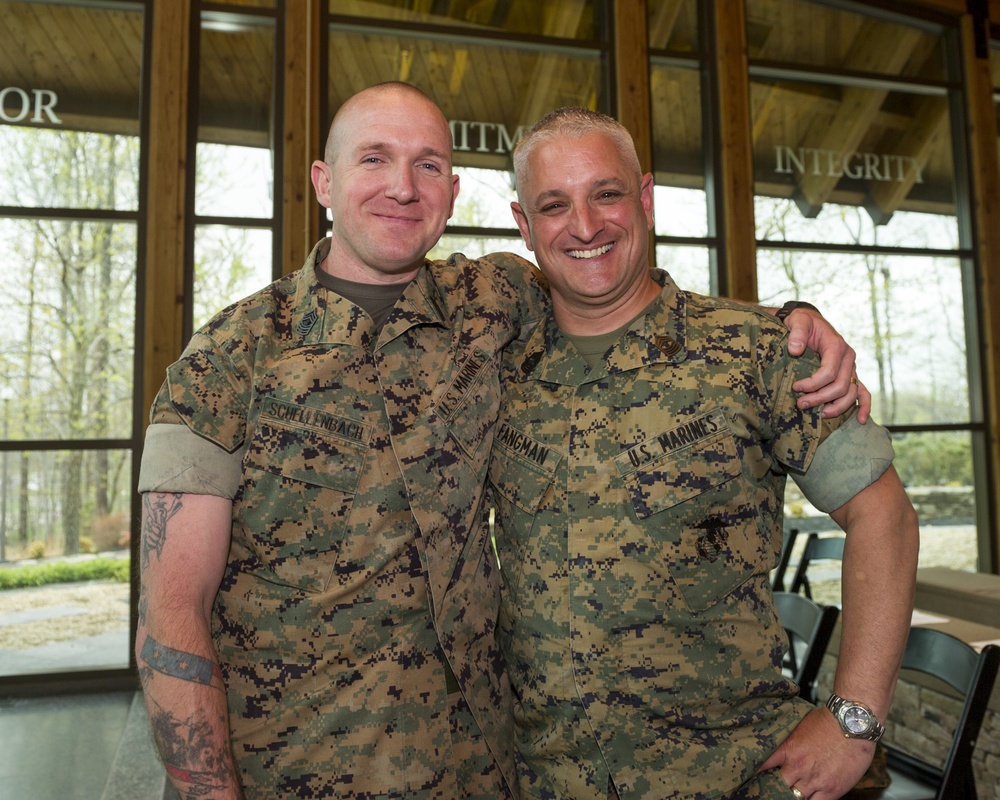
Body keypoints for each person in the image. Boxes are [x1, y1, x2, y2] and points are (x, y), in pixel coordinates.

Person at [135, 83, 868, 800]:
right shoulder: (229, 358)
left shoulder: (496, 302)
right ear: (323, 181)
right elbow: (172, 615)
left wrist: (793, 327)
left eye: (427, 165)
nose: (402, 186)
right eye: (373, 160)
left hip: (478, 767)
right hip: (293, 771)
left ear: (452, 194)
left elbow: (619, 290)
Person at [491, 106, 919, 800]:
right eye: (554, 204)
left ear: (646, 198)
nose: (586, 225)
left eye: (606, 193)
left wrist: (853, 720)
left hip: (730, 778)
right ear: (524, 224)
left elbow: (886, 518)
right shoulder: (500, 368)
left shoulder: (756, 351)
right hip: (542, 780)